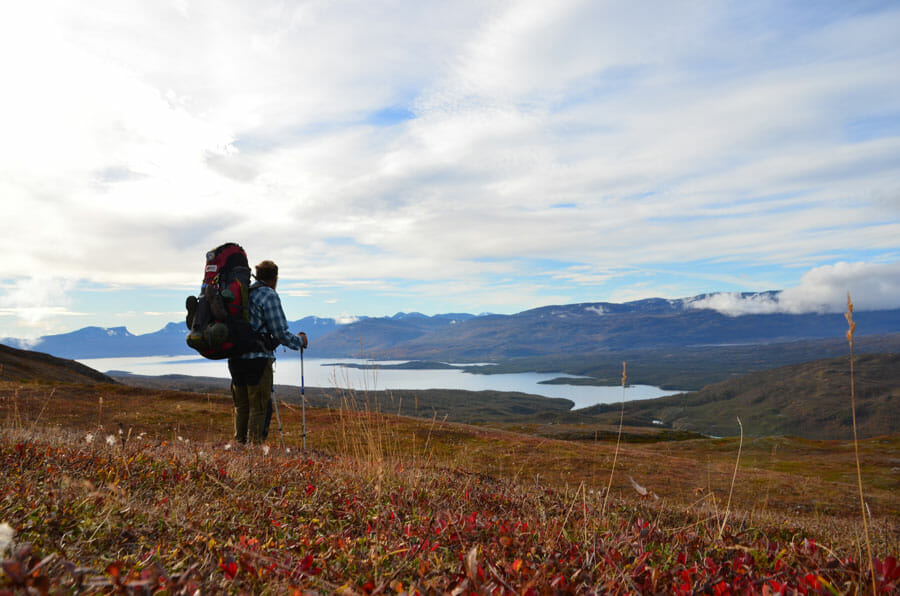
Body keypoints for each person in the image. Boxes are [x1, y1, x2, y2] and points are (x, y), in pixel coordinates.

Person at [228, 260, 307, 444]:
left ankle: (239, 448)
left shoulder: (242, 294)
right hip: (258, 360)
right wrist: (300, 342)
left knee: (242, 406)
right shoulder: (268, 295)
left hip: (235, 358)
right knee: (259, 407)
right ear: (274, 278)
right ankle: (254, 452)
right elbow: (279, 332)